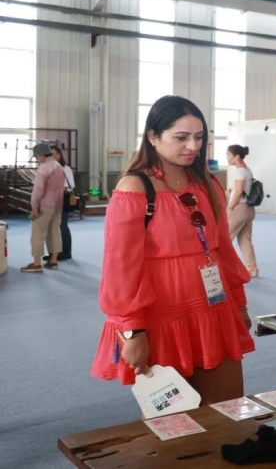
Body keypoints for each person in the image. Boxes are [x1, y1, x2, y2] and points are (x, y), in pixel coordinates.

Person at [90, 95, 254, 406]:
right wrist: (131, 330)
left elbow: (224, 252)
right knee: (173, 426)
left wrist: (239, 303)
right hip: (162, 321)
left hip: (214, 311)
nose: (192, 146)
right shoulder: (134, 189)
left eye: (199, 137)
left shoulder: (207, 184)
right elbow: (121, 269)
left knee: (228, 411)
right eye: (181, 137)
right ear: (153, 137)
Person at [22, 143, 65, 273]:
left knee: (38, 233)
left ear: (41, 155)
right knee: (54, 232)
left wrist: (34, 207)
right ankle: (53, 261)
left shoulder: (44, 168)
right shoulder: (58, 167)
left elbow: (38, 189)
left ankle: (36, 264)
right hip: (58, 204)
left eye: (36, 157)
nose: (37, 159)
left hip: (45, 205)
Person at [226, 144, 257, 277]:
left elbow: (238, 191)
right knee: (245, 239)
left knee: (225, 238)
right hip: (249, 209)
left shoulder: (239, 171)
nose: (227, 159)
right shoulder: (247, 170)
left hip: (239, 208)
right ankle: (252, 268)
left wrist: (230, 206)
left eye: (229, 156)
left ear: (237, 157)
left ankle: (221, 267)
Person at [45, 145, 74, 261]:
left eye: (57, 153)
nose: (55, 156)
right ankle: (53, 253)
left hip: (61, 200)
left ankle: (66, 253)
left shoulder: (65, 168)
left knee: (62, 226)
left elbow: (68, 186)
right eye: (51, 154)